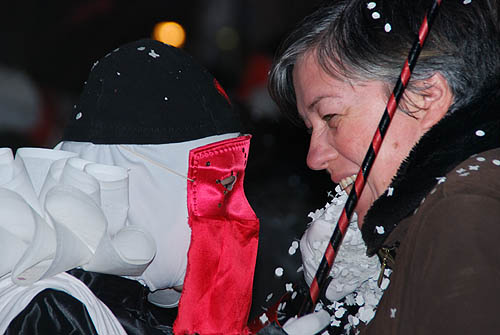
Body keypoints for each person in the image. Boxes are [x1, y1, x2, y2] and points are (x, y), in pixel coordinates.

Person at [265, 0, 500, 334]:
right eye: (310, 128)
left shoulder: (465, 208)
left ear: (424, 96)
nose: (313, 158)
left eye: (331, 117)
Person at [0, 39, 259, 335]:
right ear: (143, 186)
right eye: (220, 185)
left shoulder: (114, 305)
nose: (236, 212)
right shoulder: (55, 316)